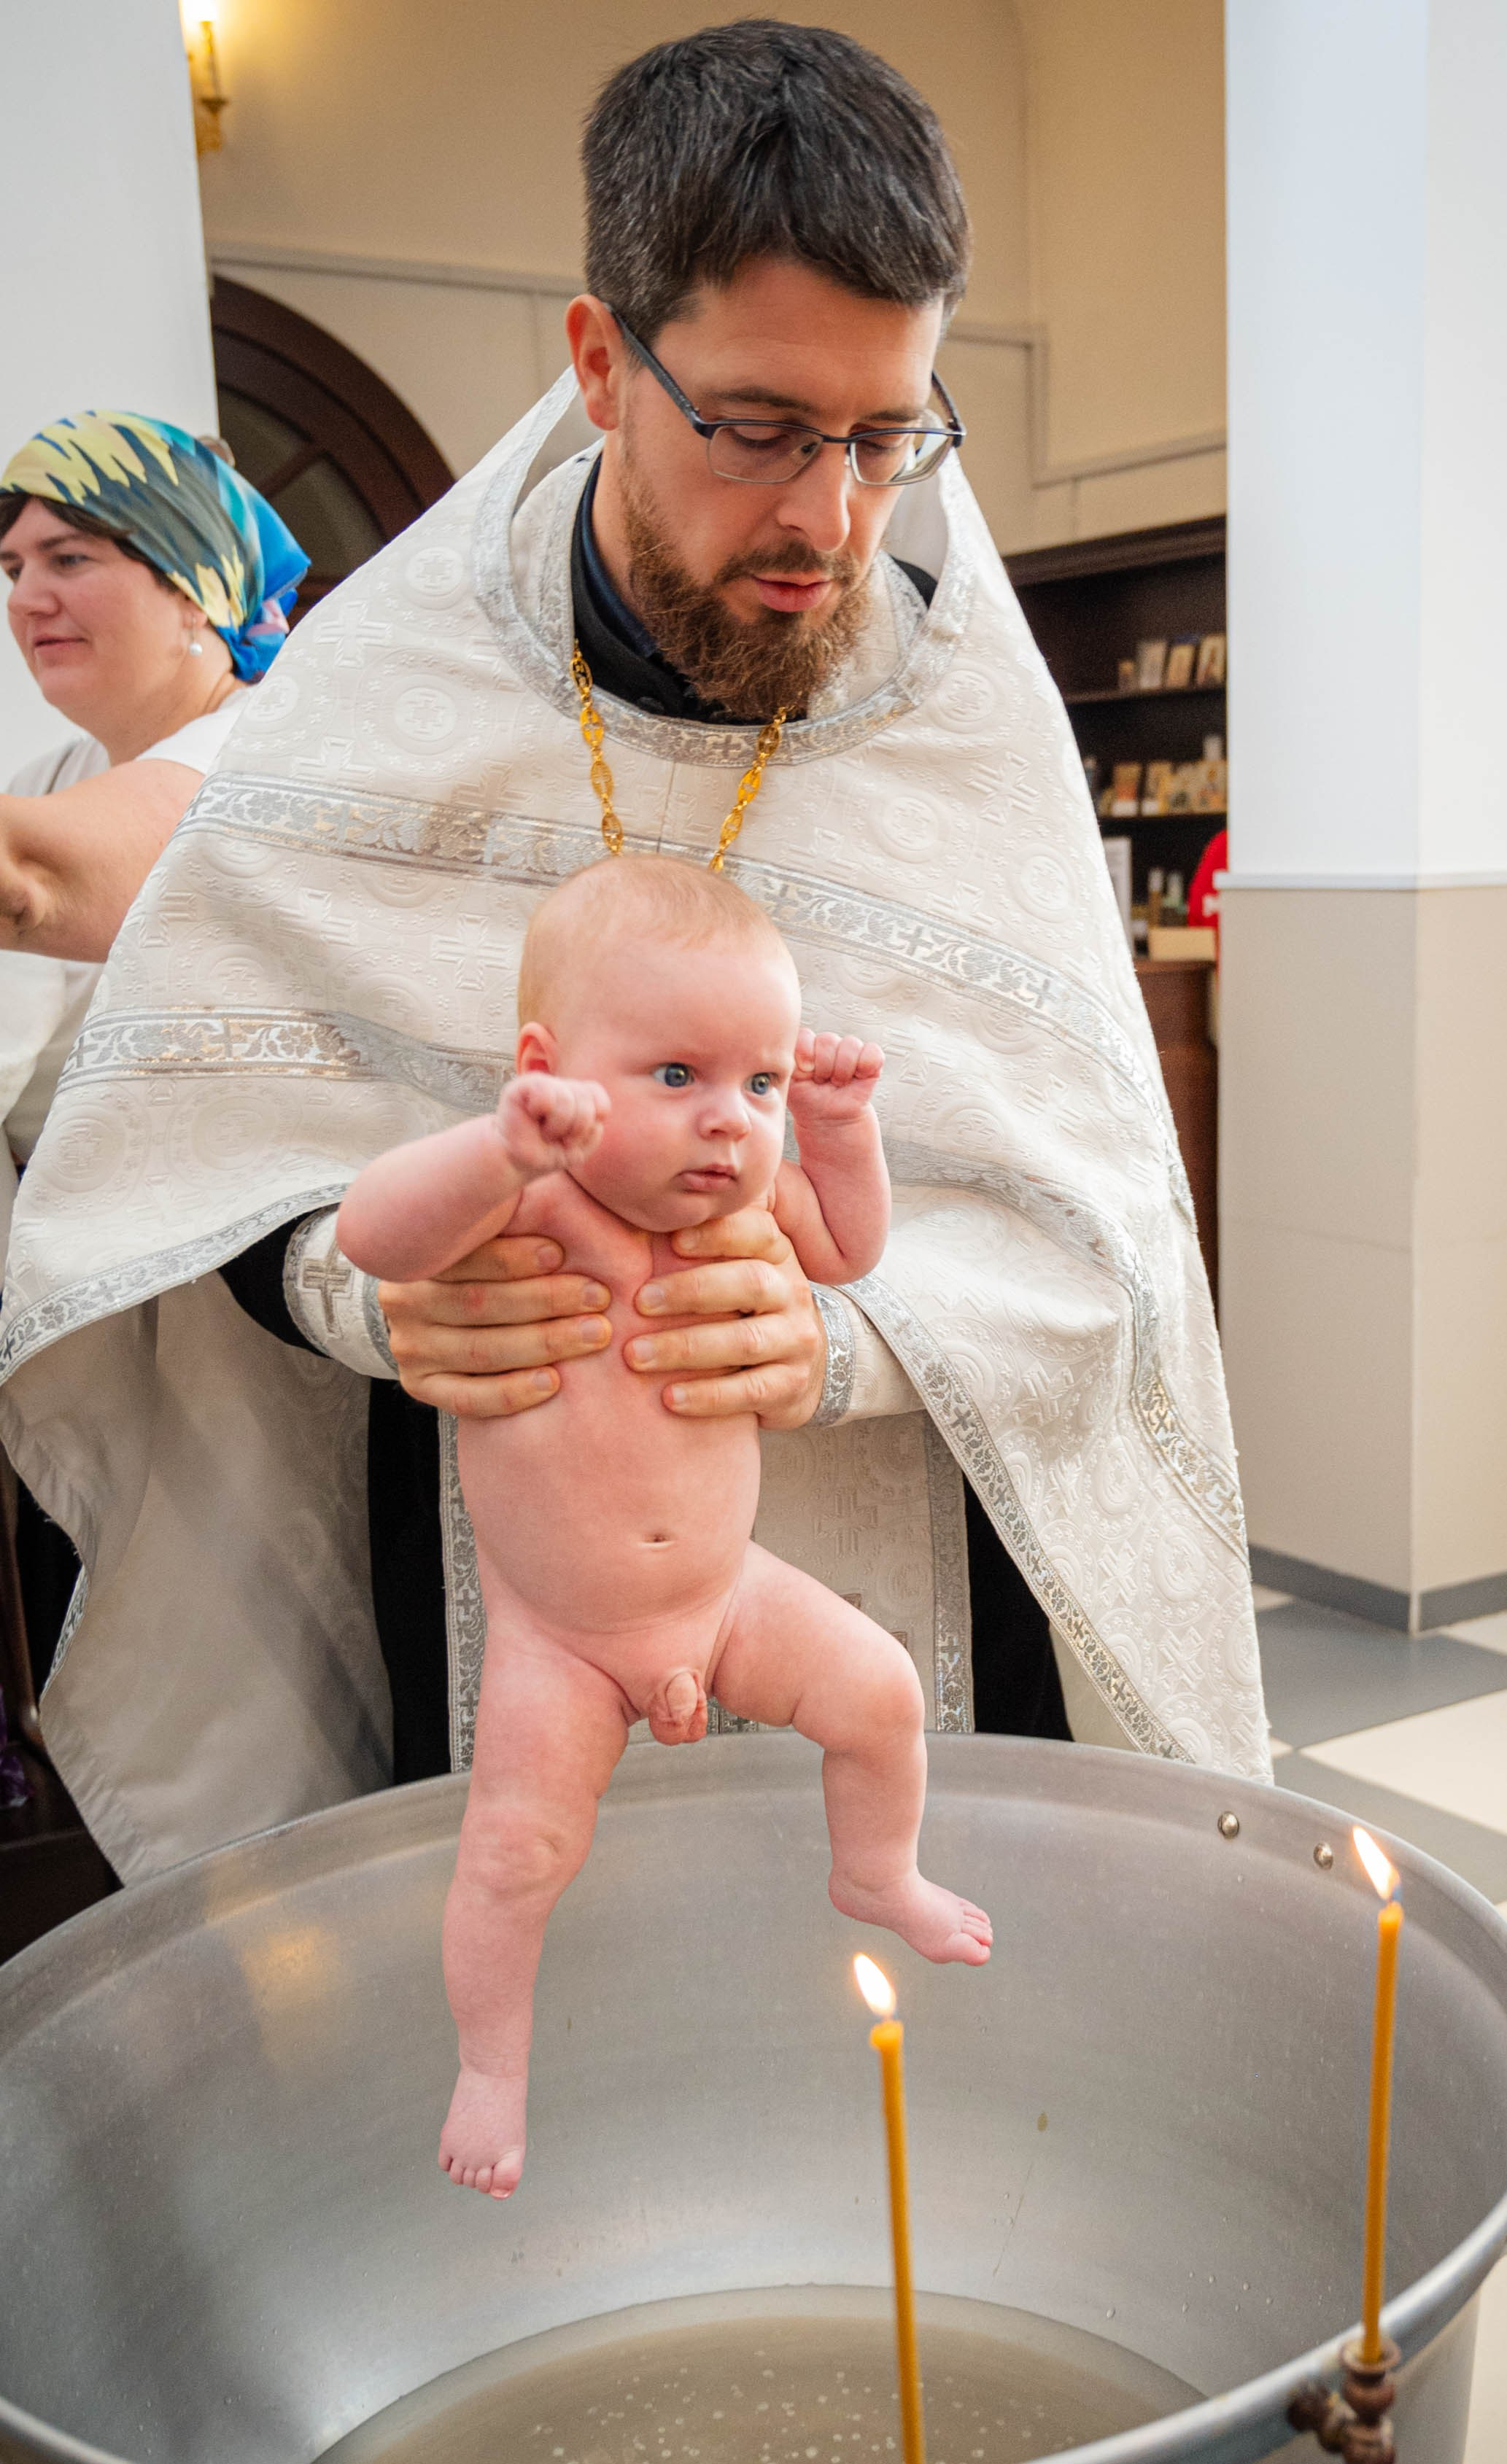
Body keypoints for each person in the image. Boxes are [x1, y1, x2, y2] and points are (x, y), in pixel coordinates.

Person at [0, 22, 1267, 1886]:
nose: (830, 518)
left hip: (904, 1590)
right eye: (759, 429)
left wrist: (845, 1335)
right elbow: (177, 1157)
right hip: (505, 1582)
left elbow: (1110, 1247)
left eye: (887, 436)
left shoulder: (959, 722)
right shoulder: (381, 698)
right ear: (599, 360)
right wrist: (377, 1300)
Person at [340, 855, 991, 2196]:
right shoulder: (525, 1202)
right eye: (677, 1078)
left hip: (727, 1595)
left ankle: (876, 1873)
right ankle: (493, 2065)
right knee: (517, 1848)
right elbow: (372, 1235)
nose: (726, 1125)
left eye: (757, 1082)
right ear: (547, 1066)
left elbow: (852, 1252)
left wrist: (837, 1130)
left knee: (879, 1695)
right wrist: (497, 1148)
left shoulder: (753, 1199)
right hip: (559, 1637)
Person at [0, 412, 308, 1693]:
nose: (28, 594)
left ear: (194, 586)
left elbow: (35, 883)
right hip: (108, 1329)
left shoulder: (259, 760)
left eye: (70, 556)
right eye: (11, 567)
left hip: (246, 1337)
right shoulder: (66, 765)